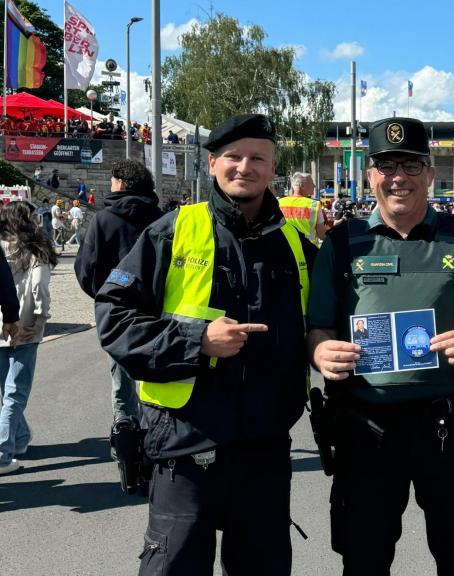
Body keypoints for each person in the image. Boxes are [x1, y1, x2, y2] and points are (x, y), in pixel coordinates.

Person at [95, 114, 317, 575]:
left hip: (265, 450)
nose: (245, 167)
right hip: (184, 447)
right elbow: (114, 318)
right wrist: (196, 342)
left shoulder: (296, 245)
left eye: (257, 158)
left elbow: (332, 322)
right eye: (233, 157)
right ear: (213, 163)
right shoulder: (172, 231)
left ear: (273, 168)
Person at [306, 117, 454, 575]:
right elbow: (318, 326)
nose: (398, 177)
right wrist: (321, 352)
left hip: (451, 427)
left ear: (429, 173)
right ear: (371, 175)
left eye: (410, 165)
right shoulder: (342, 244)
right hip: (365, 429)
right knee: (364, 559)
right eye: (386, 166)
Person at [74, 160, 163, 434]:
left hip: (117, 310)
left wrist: (104, 296)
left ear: (121, 184)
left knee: (121, 377)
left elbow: (85, 268)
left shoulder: (103, 219)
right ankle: (157, 433)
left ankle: (125, 436)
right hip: (156, 308)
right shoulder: (163, 218)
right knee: (156, 372)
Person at [0, 201, 56, 475]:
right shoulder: (35, 249)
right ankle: (2, 453)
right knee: (16, 393)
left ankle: (19, 438)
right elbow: (39, 286)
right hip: (24, 325)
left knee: (6, 390)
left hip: (1, 324)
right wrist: (40, 318)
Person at [279, 171, 327, 242]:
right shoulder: (314, 204)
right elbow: (321, 235)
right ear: (302, 186)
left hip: (285, 246)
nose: (314, 186)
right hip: (308, 247)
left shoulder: (279, 203)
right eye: (311, 183)